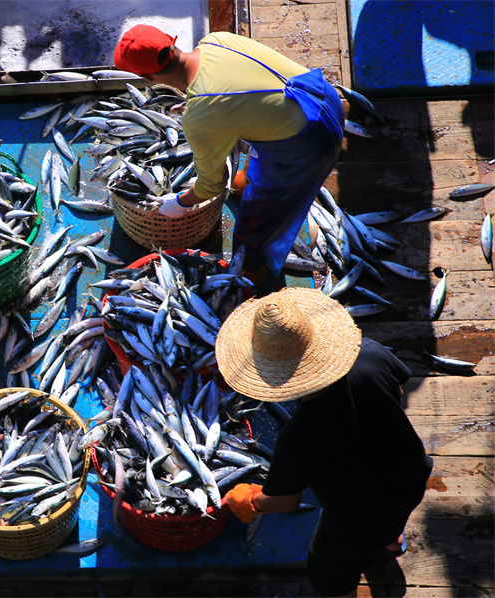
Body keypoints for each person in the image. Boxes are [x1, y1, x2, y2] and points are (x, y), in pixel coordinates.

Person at [214, 287, 433, 597]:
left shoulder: (299, 436)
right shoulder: (369, 353)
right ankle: (391, 542)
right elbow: (397, 387)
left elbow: (284, 502)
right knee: (392, 516)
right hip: (411, 473)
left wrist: (251, 500)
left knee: (331, 573)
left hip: (354, 514)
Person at [113, 26, 345, 288]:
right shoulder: (216, 41)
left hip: (311, 138)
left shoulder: (201, 114)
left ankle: (251, 271)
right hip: (323, 95)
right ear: (172, 43)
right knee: (257, 131)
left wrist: (179, 202)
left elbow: (211, 186)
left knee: (259, 219)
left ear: (147, 77)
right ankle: (246, 182)